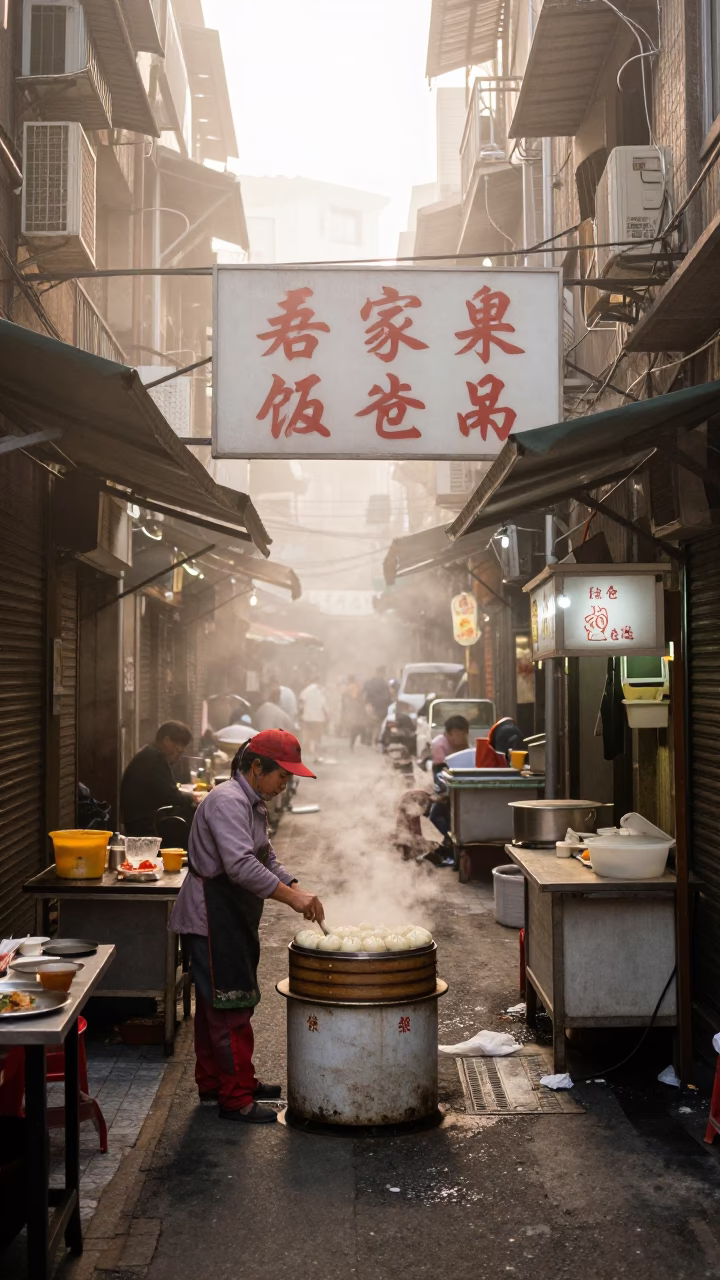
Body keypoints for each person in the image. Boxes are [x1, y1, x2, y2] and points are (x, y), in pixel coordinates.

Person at [169, 729, 324, 1124]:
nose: (284, 786)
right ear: (257, 767)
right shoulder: (227, 802)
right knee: (229, 1008)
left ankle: (218, 1082)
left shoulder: (253, 803)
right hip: (211, 918)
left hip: (232, 916)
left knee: (215, 1006)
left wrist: (294, 885)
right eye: (282, 777)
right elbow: (239, 865)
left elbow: (264, 855)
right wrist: (292, 900)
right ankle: (234, 1098)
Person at [120, 721, 196, 837]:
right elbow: (172, 796)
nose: (179, 752)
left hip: (141, 821)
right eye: (177, 748)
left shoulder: (150, 753)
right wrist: (193, 797)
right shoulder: (154, 758)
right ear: (166, 741)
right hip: (144, 826)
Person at [299, 678, 327, 760]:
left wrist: (300, 715)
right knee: (317, 737)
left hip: (307, 717)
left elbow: (301, 705)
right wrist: (327, 716)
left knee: (308, 734)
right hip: (319, 718)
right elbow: (324, 706)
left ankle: (308, 752)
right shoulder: (321, 691)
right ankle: (316, 755)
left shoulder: (305, 691)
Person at [363, 666, 390, 743]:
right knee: (379, 725)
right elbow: (387, 696)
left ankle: (368, 739)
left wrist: (366, 704)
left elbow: (364, 695)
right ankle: (376, 740)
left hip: (370, 707)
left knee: (371, 724)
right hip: (381, 708)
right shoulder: (384, 684)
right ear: (382, 673)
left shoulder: (369, 682)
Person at [342, 674, 366, 750]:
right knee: (354, 725)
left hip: (351, 708)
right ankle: (352, 741)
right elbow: (356, 697)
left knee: (353, 725)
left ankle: (351, 741)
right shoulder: (355, 686)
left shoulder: (350, 687)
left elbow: (352, 697)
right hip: (354, 708)